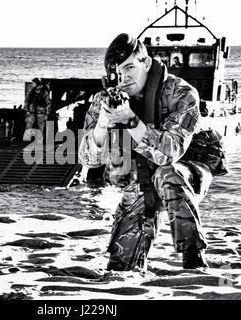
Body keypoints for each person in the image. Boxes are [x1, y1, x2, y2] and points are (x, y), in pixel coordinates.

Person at [79, 33, 212, 271]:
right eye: (118, 71)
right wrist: (102, 124)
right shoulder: (105, 99)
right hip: (138, 185)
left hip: (186, 176)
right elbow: (87, 160)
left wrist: (131, 120)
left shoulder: (181, 93)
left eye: (130, 67)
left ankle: (193, 255)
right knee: (120, 268)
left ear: (146, 63)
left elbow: (169, 153)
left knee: (167, 173)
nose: (125, 77)